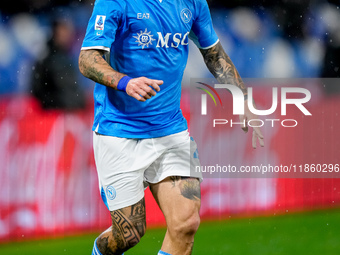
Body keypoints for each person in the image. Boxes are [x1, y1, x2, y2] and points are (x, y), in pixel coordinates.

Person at [79, 0, 264, 254]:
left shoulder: (194, 3)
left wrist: (242, 98)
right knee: (129, 233)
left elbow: (214, 54)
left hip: (170, 130)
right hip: (119, 131)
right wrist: (125, 83)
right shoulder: (115, 2)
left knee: (186, 223)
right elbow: (87, 59)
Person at [32, 19, 86, 110]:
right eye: (63, 31)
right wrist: (57, 104)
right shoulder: (46, 58)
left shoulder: (67, 57)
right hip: (53, 113)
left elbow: (73, 88)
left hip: (68, 111)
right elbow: (38, 89)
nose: (66, 36)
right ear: (55, 32)